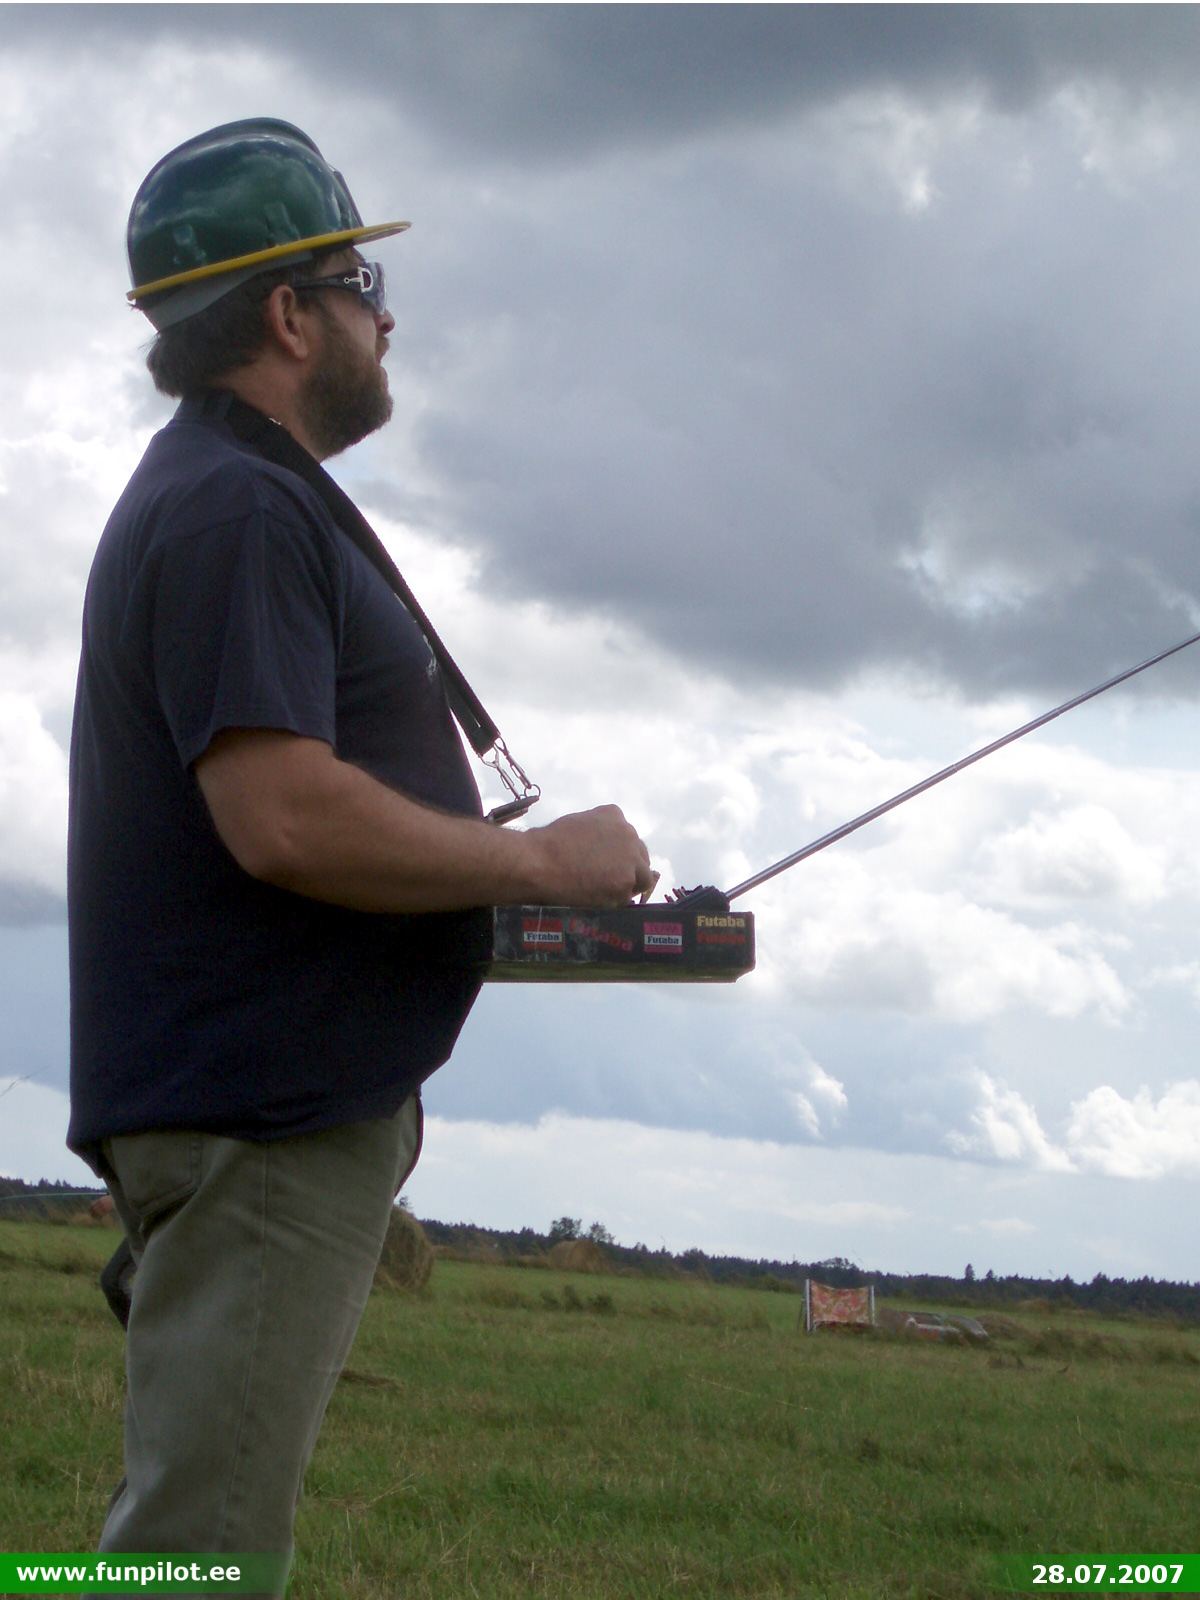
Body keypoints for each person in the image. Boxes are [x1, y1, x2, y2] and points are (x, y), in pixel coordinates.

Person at [67, 118, 653, 1587]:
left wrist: (469, 885)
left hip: (257, 1106)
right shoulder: (236, 508)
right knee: (199, 1556)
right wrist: (543, 866)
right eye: (362, 288)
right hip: (263, 1123)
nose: (386, 323)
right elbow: (280, 817)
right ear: (289, 313)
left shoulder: (229, 492)